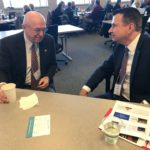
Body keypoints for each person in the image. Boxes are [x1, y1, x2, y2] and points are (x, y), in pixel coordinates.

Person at [80, 7, 150, 103]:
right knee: (88, 108)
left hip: (139, 103)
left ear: (130, 27)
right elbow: (105, 68)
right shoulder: (120, 45)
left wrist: (145, 104)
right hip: (116, 97)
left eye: (114, 26)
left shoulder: (147, 47)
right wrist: (86, 88)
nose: (109, 30)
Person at [0, 11, 57, 93]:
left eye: (44, 29)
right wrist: (2, 85)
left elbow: (53, 65)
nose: (41, 34)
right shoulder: (7, 44)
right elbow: (2, 69)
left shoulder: (49, 40)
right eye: (37, 30)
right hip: (19, 87)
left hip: (43, 86)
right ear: (24, 27)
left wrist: (48, 77)